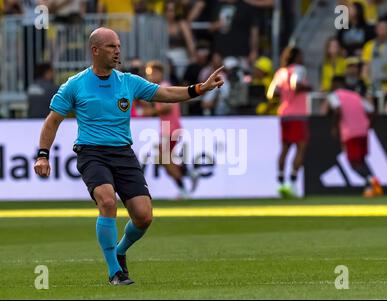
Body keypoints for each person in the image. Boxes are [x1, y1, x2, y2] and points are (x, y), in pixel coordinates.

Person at [33, 27, 224, 285]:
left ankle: (120, 251)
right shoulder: (75, 85)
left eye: (118, 45)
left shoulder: (128, 81)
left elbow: (164, 94)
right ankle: (115, 272)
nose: (117, 51)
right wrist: (43, 155)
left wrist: (199, 89)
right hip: (92, 153)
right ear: (95, 50)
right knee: (107, 202)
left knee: (144, 216)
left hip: (123, 153)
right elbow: (52, 120)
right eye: (111, 46)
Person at [144, 60, 199, 199]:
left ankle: (184, 185)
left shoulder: (164, 87)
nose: (150, 77)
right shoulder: (159, 88)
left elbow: (167, 107)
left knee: (163, 158)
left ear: (161, 73)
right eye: (148, 74)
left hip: (171, 129)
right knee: (164, 160)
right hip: (168, 129)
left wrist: (149, 111)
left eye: (153, 73)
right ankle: (187, 173)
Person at [326, 76, 383, 197]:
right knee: (361, 160)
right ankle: (371, 185)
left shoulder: (335, 95)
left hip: (350, 133)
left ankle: (371, 181)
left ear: (336, 84)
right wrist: (368, 125)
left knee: (353, 162)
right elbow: (371, 110)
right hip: (363, 132)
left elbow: (337, 109)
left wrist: (335, 126)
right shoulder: (355, 96)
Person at [267, 46, 311, 198]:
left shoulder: (280, 72)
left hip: (283, 114)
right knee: (301, 147)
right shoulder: (299, 69)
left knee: (285, 148)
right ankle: (292, 182)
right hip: (298, 114)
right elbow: (296, 85)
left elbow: (271, 94)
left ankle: (280, 182)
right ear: (296, 57)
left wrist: (285, 97)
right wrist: (308, 87)